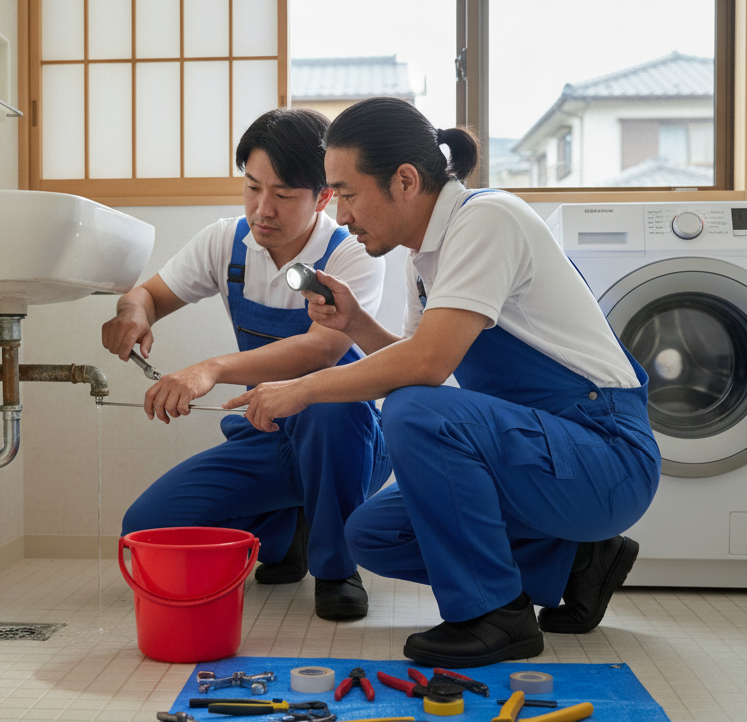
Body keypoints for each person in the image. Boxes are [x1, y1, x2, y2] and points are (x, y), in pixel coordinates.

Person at [223, 97, 661, 667]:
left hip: (606, 454)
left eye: (348, 194)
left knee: (414, 410)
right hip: (543, 457)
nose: (343, 216)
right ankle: (576, 562)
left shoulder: (488, 219)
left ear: (405, 180)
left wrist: (301, 388)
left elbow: (425, 370)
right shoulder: (422, 254)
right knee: (375, 534)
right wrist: (356, 323)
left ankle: (496, 615)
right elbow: (416, 359)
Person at [102, 108, 390, 621]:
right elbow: (147, 294)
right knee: (145, 529)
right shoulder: (226, 241)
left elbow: (322, 349)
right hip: (268, 431)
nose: (262, 209)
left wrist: (209, 368)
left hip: (350, 437)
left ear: (323, 197)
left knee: (329, 404)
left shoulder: (352, 252)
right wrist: (131, 314)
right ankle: (290, 529)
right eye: (252, 187)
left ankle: (337, 567)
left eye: (282, 195)